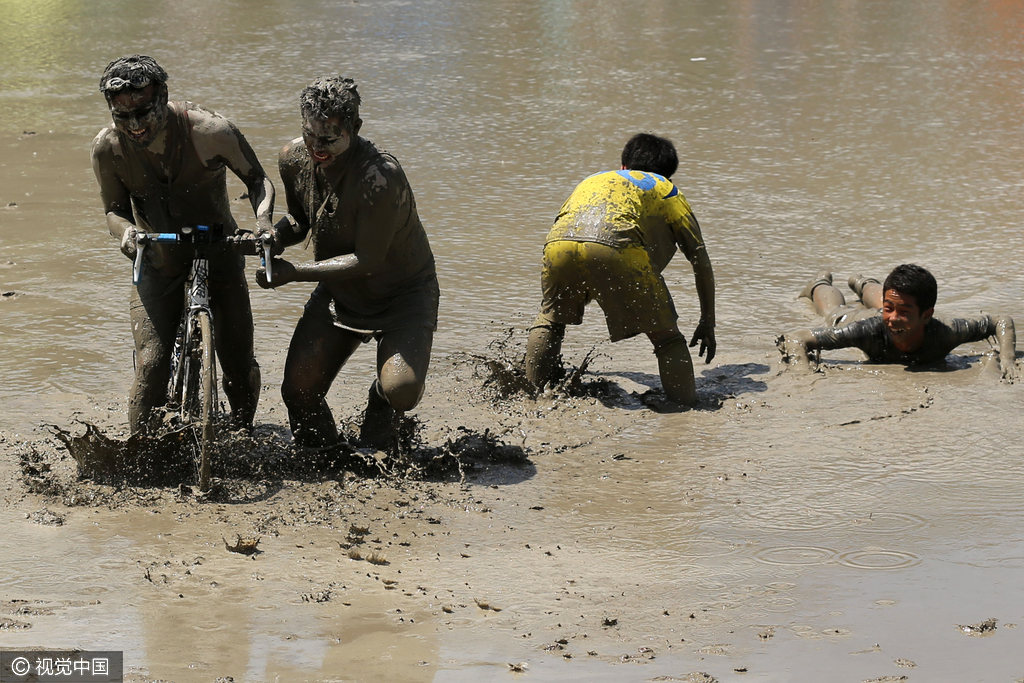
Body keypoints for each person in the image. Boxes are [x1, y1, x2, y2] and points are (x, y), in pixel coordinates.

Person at [91, 55, 274, 434]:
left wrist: (264, 223)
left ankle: (242, 435)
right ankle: (141, 456)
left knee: (239, 364)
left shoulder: (209, 131)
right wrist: (127, 235)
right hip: (158, 260)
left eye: (144, 111)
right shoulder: (108, 149)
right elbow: (113, 210)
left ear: (164, 96)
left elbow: (257, 181)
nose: (136, 125)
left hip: (220, 252)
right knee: (153, 365)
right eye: (122, 116)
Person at [256, 77, 439, 450]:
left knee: (401, 389)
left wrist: (294, 273)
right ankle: (327, 454)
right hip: (341, 291)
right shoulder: (294, 158)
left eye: (329, 139)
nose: (317, 148)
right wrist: (273, 237)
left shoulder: (379, 177)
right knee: (298, 392)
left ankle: (380, 401)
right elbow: (300, 220)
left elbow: (367, 259)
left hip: (402, 296)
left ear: (355, 128)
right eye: (310, 135)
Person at [524, 133, 717, 407]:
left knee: (550, 321)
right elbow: (699, 259)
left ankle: (530, 394)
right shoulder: (666, 189)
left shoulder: (593, 179)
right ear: (669, 174)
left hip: (559, 244)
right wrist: (707, 321)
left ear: (623, 165)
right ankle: (684, 411)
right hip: (616, 246)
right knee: (667, 339)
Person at [778, 264, 1019, 378]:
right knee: (834, 312)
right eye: (890, 309)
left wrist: (1007, 358)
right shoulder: (865, 331)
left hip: (887, 310)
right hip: (855, 319)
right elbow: (797, 338)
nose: (893, 319)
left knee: (889, 301)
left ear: (927, 315)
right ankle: (819, 284)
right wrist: (803, 374)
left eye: (903, 312)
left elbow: (1000, 321)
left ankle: (861, 282)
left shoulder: (947, 333)